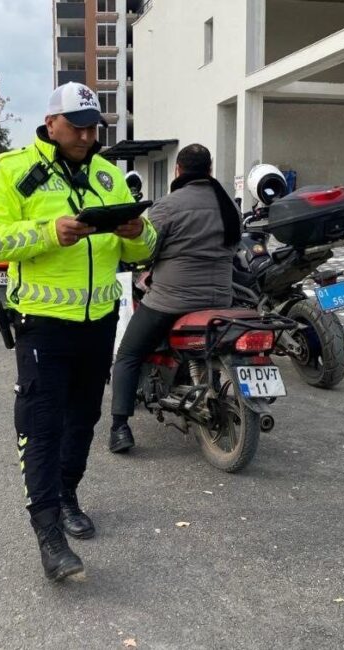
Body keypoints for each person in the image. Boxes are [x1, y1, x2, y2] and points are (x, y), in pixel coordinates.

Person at [0, 82, 157, 582]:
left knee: (83, 420)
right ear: (50, 122)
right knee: (42, 425)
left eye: (93, 126)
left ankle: (69, 495)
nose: (85, 134)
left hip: (99, 323)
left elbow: (143, 253)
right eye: (76, 125)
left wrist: (139, 233)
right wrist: (47, 233)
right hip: (43, 326)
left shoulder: (107, 174)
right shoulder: (14, 170)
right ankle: (49, 533)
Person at [108, 143, 243, 453]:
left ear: (177, 171)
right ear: (209, 170)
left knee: (128, 354)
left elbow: (146, 249)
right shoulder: (229, 205)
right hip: (221, 298)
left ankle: (119, 427)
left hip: (171, 301)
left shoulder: (168, 206)